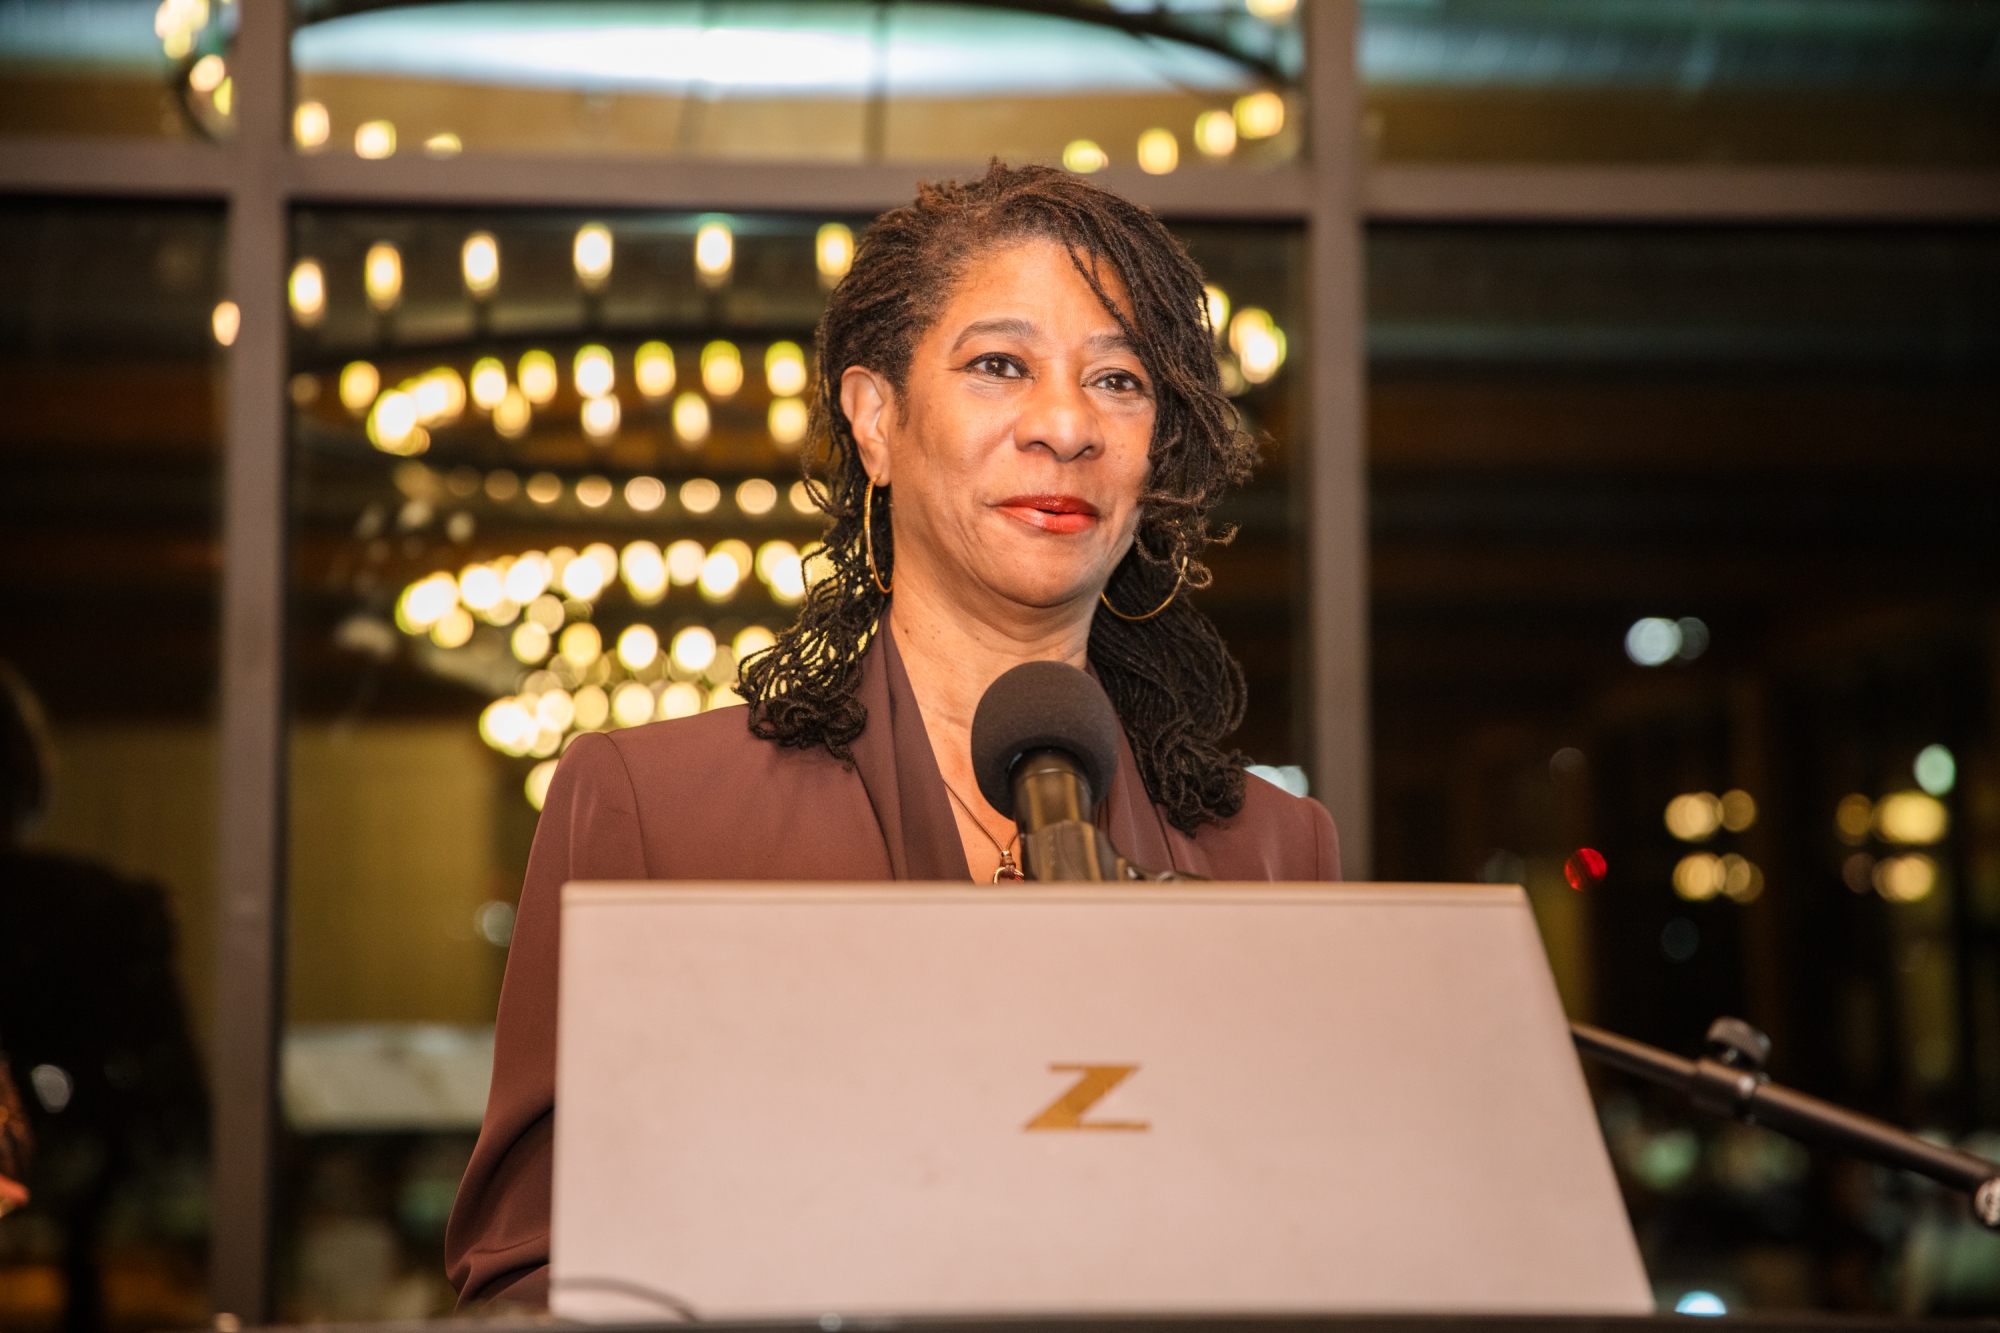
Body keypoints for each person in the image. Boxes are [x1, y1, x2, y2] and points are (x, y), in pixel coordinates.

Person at [445, 162, 1340, 1308]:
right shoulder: (652, 809)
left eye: (1116, 381)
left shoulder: (1272, 850)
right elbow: (530, 1278)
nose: (1065, 426)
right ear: (875, 419)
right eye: (999, 365)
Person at [0, 660, 208, 1333]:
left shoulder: (97, 910)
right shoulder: (103, 907)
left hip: (93, 1265)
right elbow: (180, 1109)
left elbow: (176, 1108)